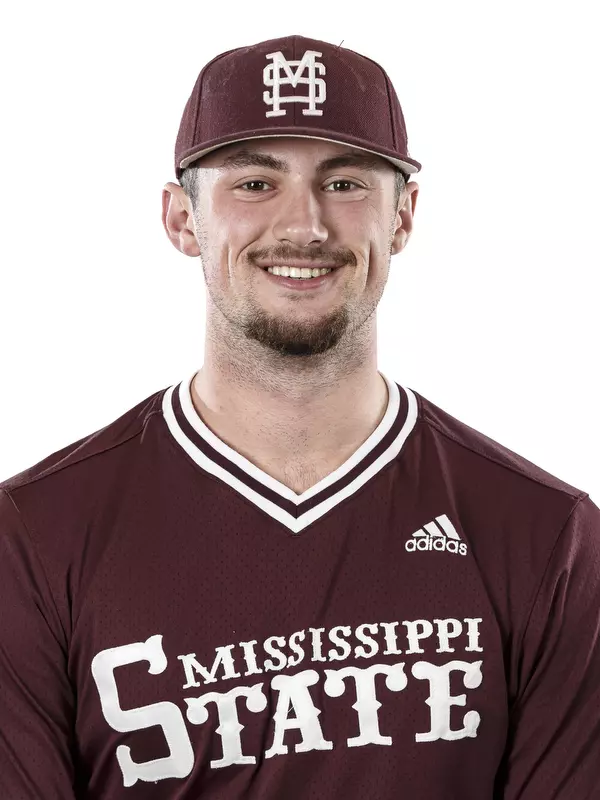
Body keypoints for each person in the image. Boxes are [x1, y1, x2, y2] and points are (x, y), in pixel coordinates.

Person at [0, 33, 598, 799]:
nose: (305, 226)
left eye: (346, 183)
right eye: (254, 183)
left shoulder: (548, 536)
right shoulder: (37, 535)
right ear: (181, 218)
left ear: (404, 217)